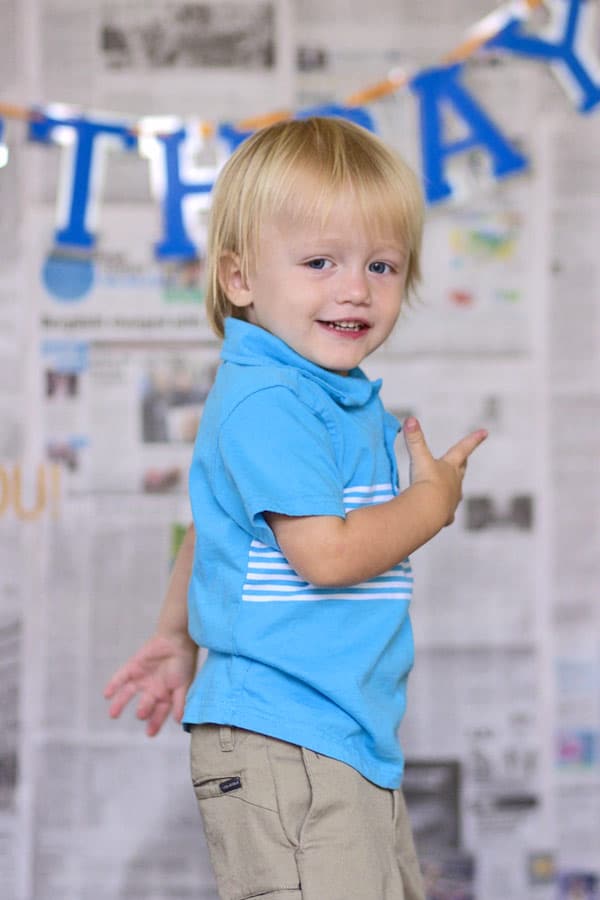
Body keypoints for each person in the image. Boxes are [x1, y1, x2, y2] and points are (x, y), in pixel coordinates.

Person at [104, 115, 487, 900]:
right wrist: (430, 503)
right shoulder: (271, 399)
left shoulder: (328, 398)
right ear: (240, 279)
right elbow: (328, 554)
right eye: (320, 261)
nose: (355, 288)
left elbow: (218, 532)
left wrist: (175, 635)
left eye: (381, 265)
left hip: (337, 736)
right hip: (286, 738)